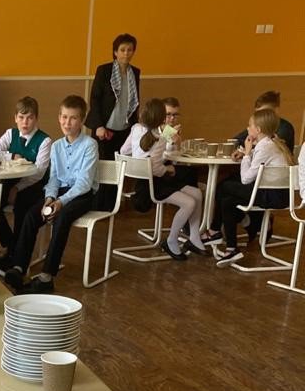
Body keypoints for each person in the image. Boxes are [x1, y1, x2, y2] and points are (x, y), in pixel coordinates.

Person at [0, 95, 98, 294]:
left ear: (82, 120)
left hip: (83, 194)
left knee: (61, 219)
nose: (67, 123)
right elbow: (53, 179)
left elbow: (84, 183)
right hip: (60, 193)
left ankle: (46, 277)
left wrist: (60, 203)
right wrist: (50, 198)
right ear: (59, 117)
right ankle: (18, 267)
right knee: (31, 216)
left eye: (73, 118)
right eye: (64, 117)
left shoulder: (90, 145)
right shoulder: (57, 146)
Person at [120, 98, 208, 260]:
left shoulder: (136, 128)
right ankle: (171, 241)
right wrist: (169, 169)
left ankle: (194, 237)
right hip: (151, 185)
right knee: (190, 202)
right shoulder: (158, 138)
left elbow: (123, 151)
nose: (171, 118)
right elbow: (157, 170)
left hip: (146, 181)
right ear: (161, 118)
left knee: (196, 193)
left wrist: (138, 163)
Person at [204, 107, 293, 266]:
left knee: (224, 186)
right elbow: (260, 159)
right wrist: (249, 153)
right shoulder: (271, 143)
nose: (247, 128)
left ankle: (214, 231)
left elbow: (245, 179)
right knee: (228, 201)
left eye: (249, 125)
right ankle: (232, 248)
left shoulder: (264, 147)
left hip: (271, 196)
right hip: (279, 194)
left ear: (258, 130)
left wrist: (246, 154)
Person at [0, 96, 51, 250]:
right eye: (21, 117)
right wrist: (11, 156)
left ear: (36, 119)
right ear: (15, 118)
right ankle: (11, 244)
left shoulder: (45, 141)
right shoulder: (11, 134)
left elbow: (39, 172)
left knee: (22, 206)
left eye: (30, 118)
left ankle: (18, 253)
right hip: (11, 182)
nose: (25, 122)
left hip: (35, 185)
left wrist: (17, 188)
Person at [87, 33, 141, 161]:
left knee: (121, 167)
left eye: (130, 50)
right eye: (122, 50)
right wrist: (98, 126)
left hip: (125, 129)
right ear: (115, 52)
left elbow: (135, 101)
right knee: (103, 167)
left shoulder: (135, 72)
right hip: (104, 129)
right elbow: (95, 99)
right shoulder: (104, 70)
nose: (126, 53)